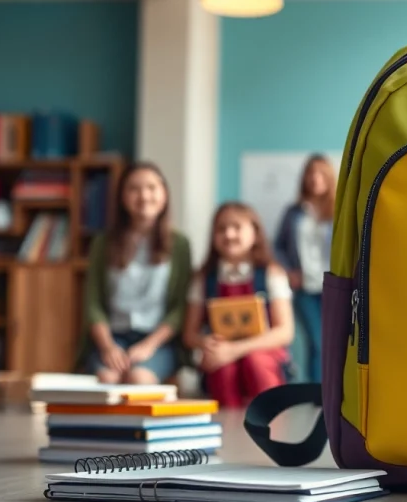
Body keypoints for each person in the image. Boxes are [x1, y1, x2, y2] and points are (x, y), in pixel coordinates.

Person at [81, 161, 193, 385]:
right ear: (122, 197)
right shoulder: (103, 243)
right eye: (134, 188)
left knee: (139, 379)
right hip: (113, 337)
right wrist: (108, 347)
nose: (143, 195)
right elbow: (93, 304)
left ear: (164, 194)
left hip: (157, 340)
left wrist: (148, 345)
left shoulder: (179, 244)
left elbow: (180, 307)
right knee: (107, 378)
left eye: (152, 188)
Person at [183, 201, 295, 408]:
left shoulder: (272, 274)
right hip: (222, 357)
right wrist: (205, 343)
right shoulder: (204, 279)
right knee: (222, 368)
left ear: (254, 233)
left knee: (256, 362)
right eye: (222, 229)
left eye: (237, 227)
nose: (229, 234)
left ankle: (269, 428)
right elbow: (190, 334)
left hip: (263, 356)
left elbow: (285, 332)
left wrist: (235, 349)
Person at [274, 154, 336, 384]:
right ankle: (317, 392)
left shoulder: (339, 209)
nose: (315, 178)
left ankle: (334, 392)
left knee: (334, 342)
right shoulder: (294, 212)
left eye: (320, 173)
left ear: (330, 177)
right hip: (305, 288)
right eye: (310, 173)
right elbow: (277, 246)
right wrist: (289, 271)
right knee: (316, 340)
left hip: (333, 286)